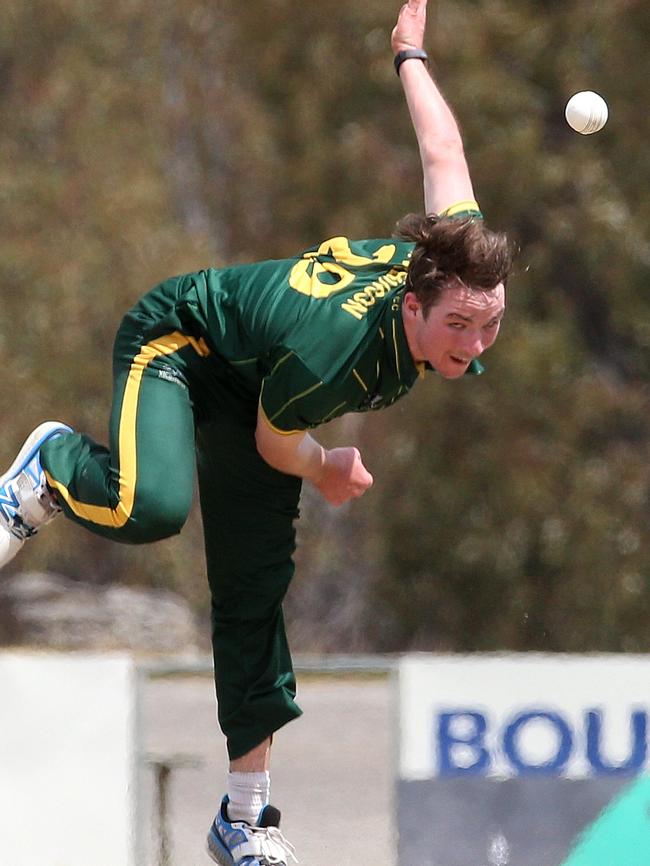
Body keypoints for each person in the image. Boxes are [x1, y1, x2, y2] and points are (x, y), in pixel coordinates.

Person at [0, 1, 512, 863]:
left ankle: (245, 818)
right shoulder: (336, 354)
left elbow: (442, 154)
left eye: (491, 324)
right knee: (152, 507)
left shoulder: (450, 256)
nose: (477, 342)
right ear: (414, 305)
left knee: (253, 591)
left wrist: (411, 56)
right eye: (461, 325)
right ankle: (49, 468)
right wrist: (327, 469)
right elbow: (280, 445)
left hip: (264, 389)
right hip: (186, 345)